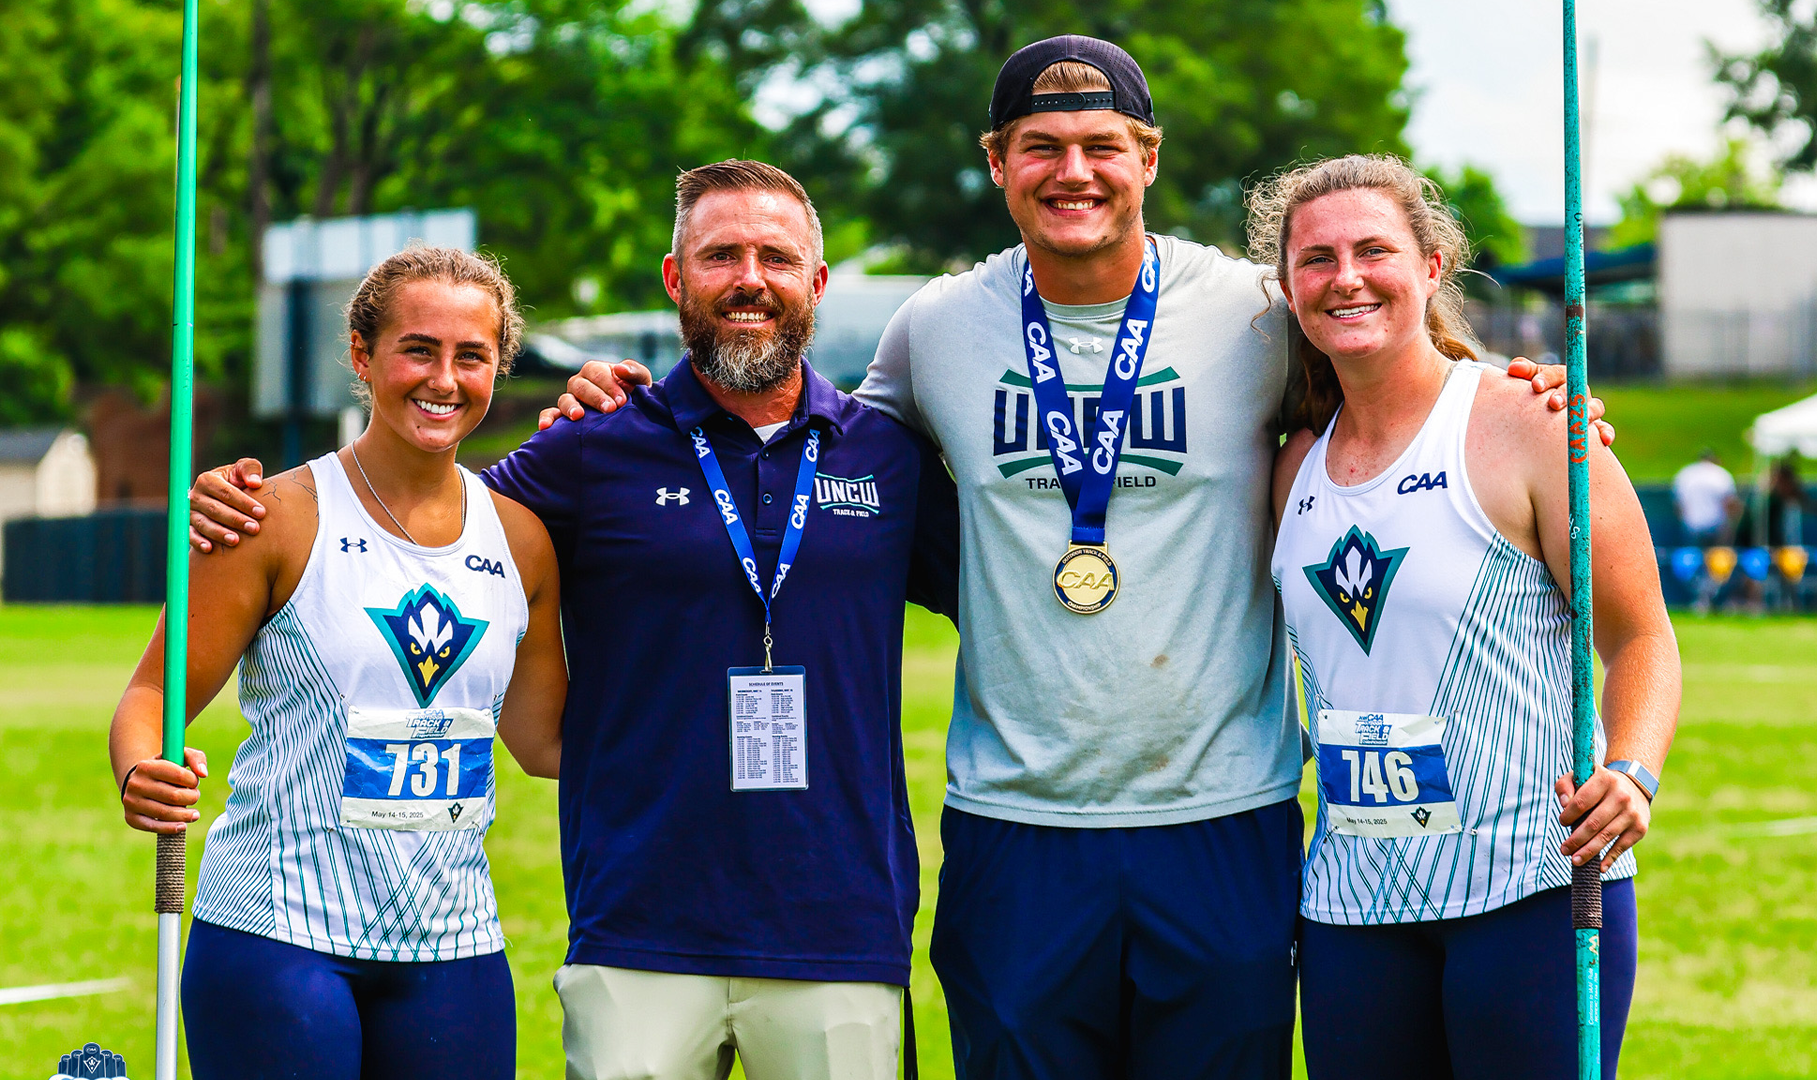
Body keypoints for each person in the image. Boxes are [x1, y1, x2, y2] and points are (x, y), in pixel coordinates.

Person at [552, 37, 1610, 1080]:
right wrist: (633, 413)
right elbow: (796, 449)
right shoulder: (936, 328)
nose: (1074, 171)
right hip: (1017, 824)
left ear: (1147, 157)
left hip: (1221, 814)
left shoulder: (1256, 309)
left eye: (1102, 143)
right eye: (1040, 145)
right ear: (996, 162)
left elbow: (1392, 365)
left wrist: (1524, 397)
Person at [189, 161, 959, 1080]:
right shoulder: (590, 442)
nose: (749, 278)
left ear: (816, 284)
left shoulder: (890, 457)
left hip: (841, 931)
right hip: (637, 929)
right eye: (720, 255)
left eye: (775, 257)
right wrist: (249, 508)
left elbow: (1009, 597)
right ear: (677, 280)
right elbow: (420, 515)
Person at [1254, 154, 1681, 1080]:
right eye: (1317, 259)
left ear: (1433, 264)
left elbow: (1641, 635)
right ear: (1288, 286)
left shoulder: (1532, 423)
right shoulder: (1291, 467)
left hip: (1533, 886)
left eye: (1375, 249)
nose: (1348, 277)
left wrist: (1634, 770)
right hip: (1352, 905)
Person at [112, 247, 568, 1079]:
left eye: (473, 356)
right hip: (276, 939)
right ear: (363, 356)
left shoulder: (523, 540)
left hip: (454, 944)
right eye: (418, 349)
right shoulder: (268, 517)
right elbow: (153, 695)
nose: (444, 378)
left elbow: (546, 745)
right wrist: (142, 768)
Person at [1673, 448, 1739, 547]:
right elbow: (1729, 503)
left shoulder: (1685, 474)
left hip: (1692, 524)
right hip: (1716, 524)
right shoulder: (1720, 474)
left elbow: (1679, 505)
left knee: (1693, 557)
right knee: (1716, 558)